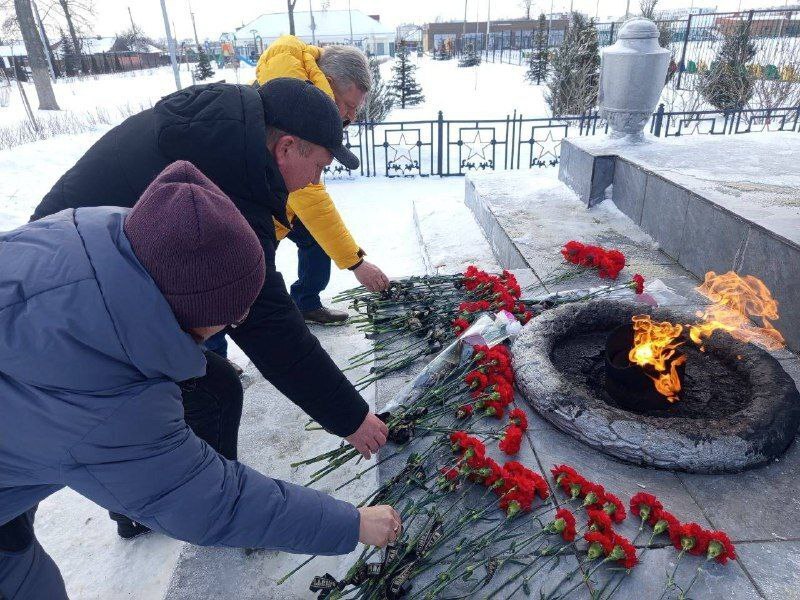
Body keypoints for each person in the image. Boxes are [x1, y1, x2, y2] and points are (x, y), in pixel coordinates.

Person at [0, 161, 401, 600]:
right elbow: (212, 502)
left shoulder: (82, 235)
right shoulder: (112, 401)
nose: (239, 321)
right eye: (233, 315)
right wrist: (353, 523)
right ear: (200, 314)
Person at [32, 77, 390, 538]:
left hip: (70, 274)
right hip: (69, 309)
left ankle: (141, 500)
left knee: (194, 377)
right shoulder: (225, 178)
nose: (316, 181)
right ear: (285, 148)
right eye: (318, 166)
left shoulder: (229, 137)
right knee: (211, 389)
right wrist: (350, 417)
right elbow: (265, 322)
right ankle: (197, 507)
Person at [254, 36, 390, 325]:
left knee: (315, 240)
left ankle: (306, 302)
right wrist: (357, 264)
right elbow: (309, 194)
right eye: (347, 106)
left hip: (285, 197)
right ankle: (210, 355)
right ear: (327, 81)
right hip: (255, 203)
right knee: (240, 280)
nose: (350, 117)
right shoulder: (295, 98)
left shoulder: (309, 86)